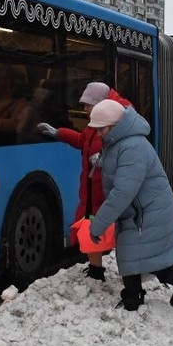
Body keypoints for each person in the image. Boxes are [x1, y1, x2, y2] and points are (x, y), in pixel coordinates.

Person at [87, 100, 173, 311]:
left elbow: (123, 192)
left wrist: (99, 224)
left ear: (114, 124)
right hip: (139, 209)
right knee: (132, 253)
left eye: (101, 129)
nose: (98, 134)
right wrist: (101, 162)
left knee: (149, 257)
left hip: (147, 211)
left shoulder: (132, 146)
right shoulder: (118, 142)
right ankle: (132, 297)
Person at [36, 82, 131, 281]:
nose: (84, 109)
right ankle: (96, 269)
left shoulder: (116, 122)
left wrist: (105, 161)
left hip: (106, 192)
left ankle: (132, 276)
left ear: (99, 103)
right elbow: (83, 141)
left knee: (118, 234)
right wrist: (59, 133)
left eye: (88, 104)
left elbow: (126, 152)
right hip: (91, 190)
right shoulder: (96, 123)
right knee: (90, 229)